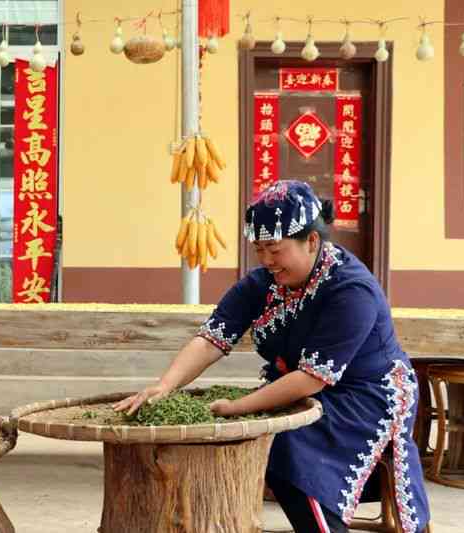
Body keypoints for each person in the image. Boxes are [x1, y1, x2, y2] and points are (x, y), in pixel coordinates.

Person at [115, 180, 430, 533]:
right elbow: (210, 340)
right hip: (302, 386)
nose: (266, 261)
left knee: (286, 445)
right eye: (259, 249)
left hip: (366, 393)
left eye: (274, 250)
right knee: (259, 442)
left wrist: (238, 407)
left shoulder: (351, 289)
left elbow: (312, 377)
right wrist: (164, 386)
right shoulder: (264, 282)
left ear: (312, 241)